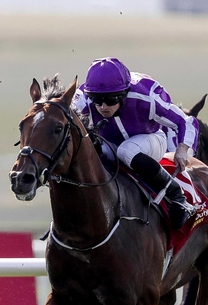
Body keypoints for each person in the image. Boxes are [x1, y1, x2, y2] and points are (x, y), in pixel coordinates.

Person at [73, 57, 200, 230]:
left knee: (126, 150)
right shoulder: (83, 98)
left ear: (124, 93)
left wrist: (182, 149)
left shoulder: (146, 94)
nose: (103, 106)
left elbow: (185, 121)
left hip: (150, 140)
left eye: (111, 99)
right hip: (111, 144)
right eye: (97, 100)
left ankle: (176, 195)